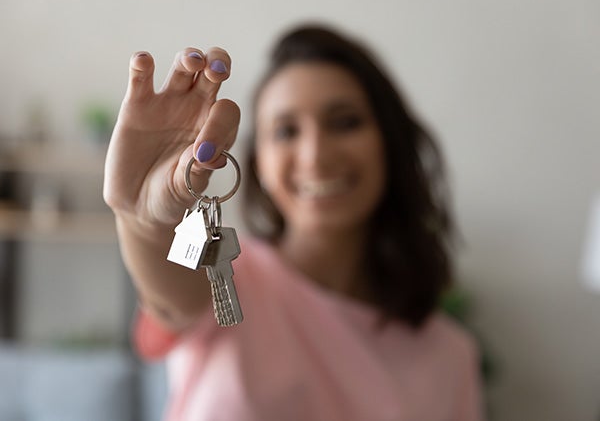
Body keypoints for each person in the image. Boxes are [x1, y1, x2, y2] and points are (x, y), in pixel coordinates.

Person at [104, 24, 484, 420]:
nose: (315, 155)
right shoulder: (224, 276)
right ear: (259, 165)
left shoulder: (451, 357)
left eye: (345, 122)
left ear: (389, 142)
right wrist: (141, 219)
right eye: (286, 131)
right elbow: (169, 300)